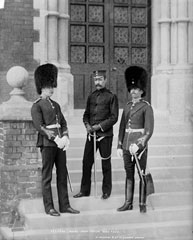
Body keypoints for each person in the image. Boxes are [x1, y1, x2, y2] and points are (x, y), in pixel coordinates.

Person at [31, 63, 80, 216]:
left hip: (60, 144)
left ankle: (65, 205)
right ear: (41, 87)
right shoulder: (37, 106)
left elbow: (63, 123)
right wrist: (55, 138)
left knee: (62, 174)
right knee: (47, 176)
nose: (52, 89)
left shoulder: (56, 105)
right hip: (48, 144)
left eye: (52, 86)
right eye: (48, 86)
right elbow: (40, 127)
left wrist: (66, 137)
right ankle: (49, 207)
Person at [73, 70, 119, 200]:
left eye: (100, 79)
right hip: (91, 136)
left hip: (105, 136)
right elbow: (86, 114)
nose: (97, 82)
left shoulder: (112, 97)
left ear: (105, 80)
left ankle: (106, 191)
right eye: (95, 80)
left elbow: (114, 117)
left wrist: (98, 127)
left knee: (105, 163)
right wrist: (87, 126)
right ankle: (84, 190)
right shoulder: (91, 96)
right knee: (86, 162)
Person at [116, 66, 154, 213]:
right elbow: (122, 127)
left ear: (142, 91)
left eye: (136, 89)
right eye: (131, 88)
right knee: (128, 173)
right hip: (126, 144)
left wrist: (139, 144)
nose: (133, 91)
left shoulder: (146, 107)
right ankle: (128, 202)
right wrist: (119, 145)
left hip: (139, 146)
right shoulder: (126, 107)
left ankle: (142, 203)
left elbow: (149, 131)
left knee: (141, 173)